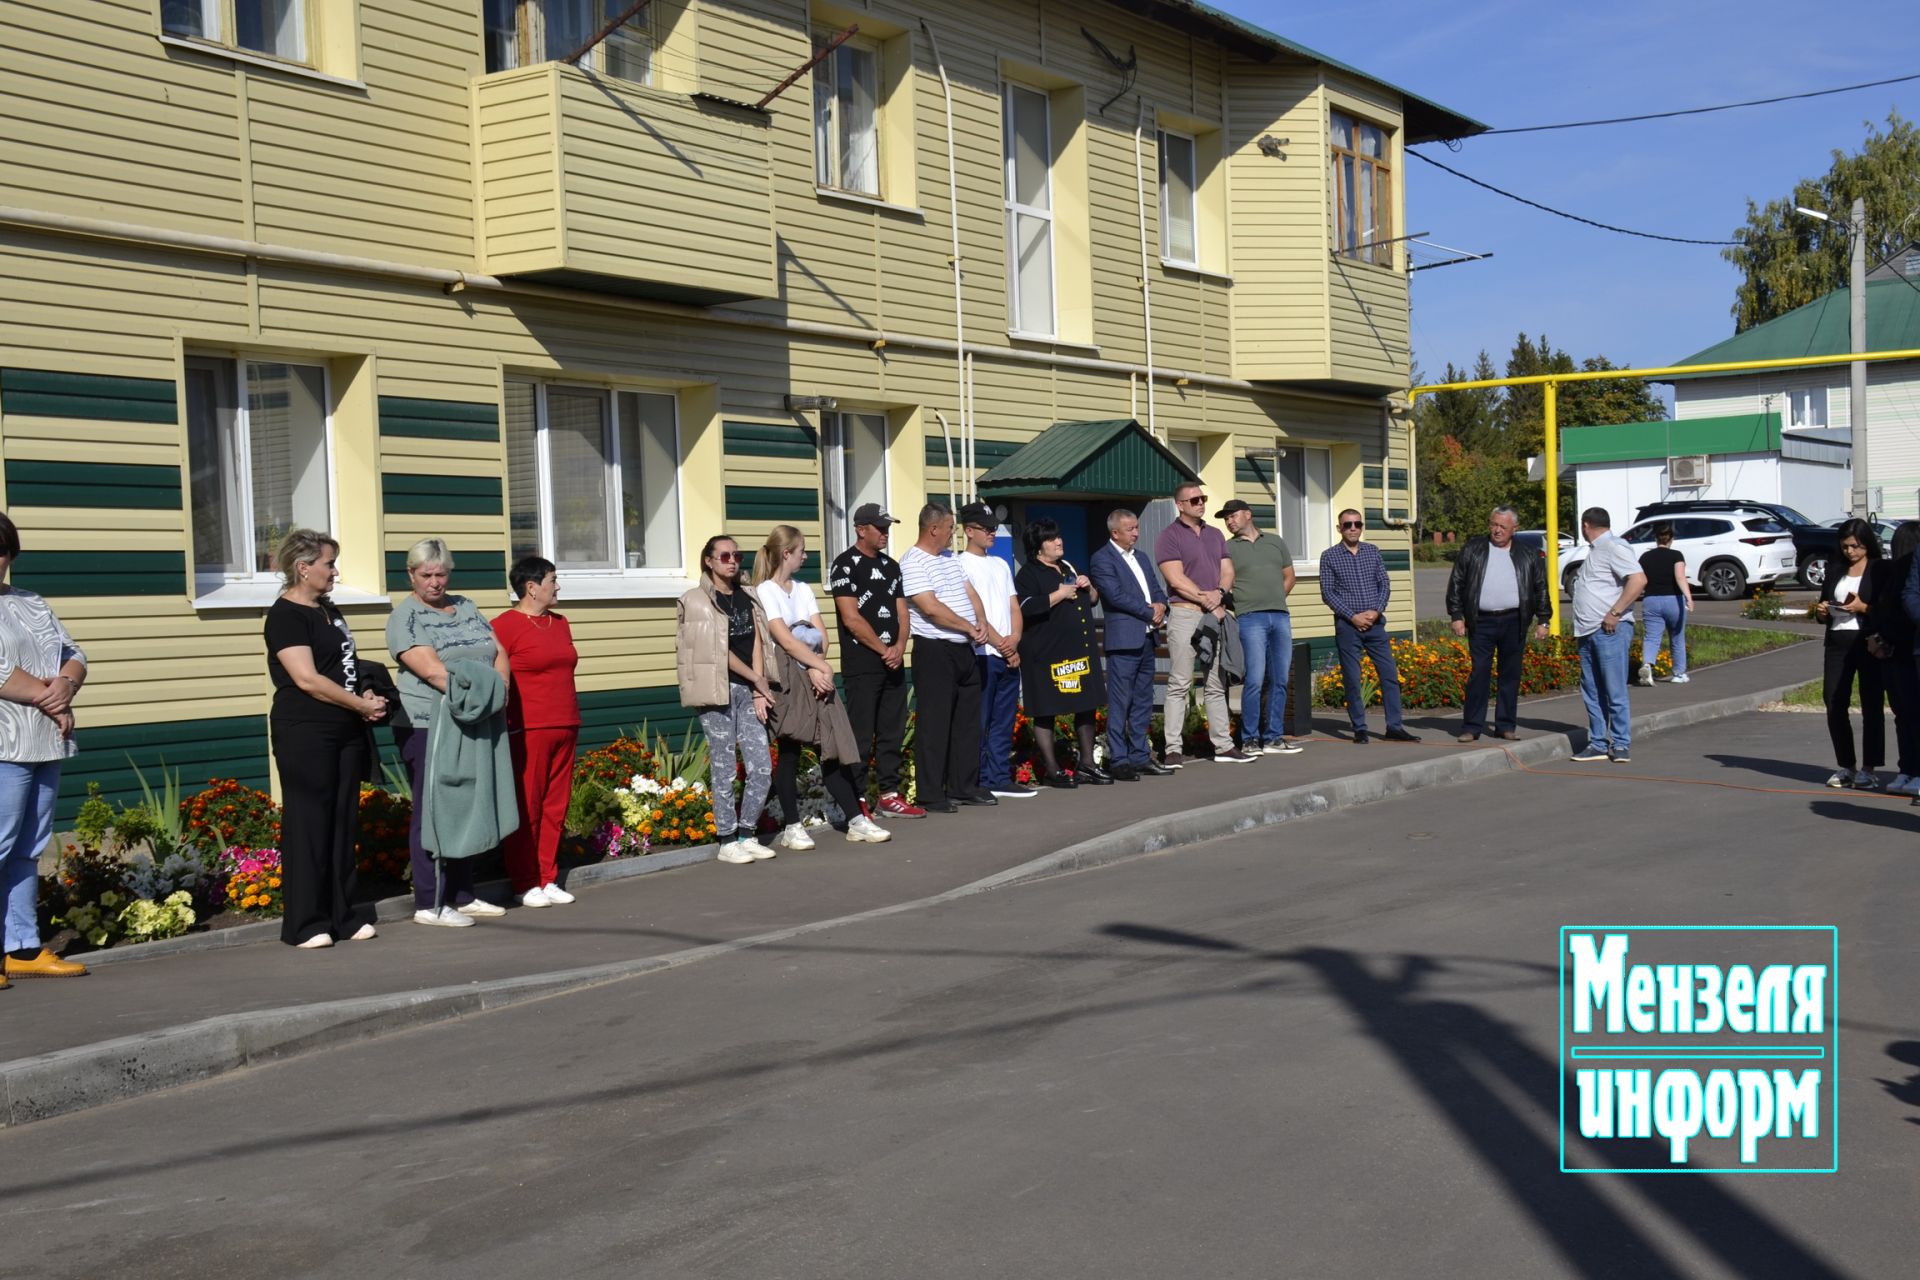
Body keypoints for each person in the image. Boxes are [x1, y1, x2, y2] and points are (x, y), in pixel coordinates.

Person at [264, 530, 388, 948]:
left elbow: (344, 667)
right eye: (328, 564)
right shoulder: (285, 616)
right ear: (303, 567)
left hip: (345, 729)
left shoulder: (328, 611)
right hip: (305, 731)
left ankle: (343, 916)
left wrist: (366, 695)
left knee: (341, 822)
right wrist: (358, 705)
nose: (335, 571)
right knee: (310, 823)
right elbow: (307, 679)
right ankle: (306, 923)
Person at [388, 538, 515, 925]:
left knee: (469, 802)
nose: (435, 582)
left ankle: (463, 894)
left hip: (475, 717)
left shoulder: (466, 606)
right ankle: (430, 903)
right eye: (426, 575)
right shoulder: (405, 617)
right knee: (435, 808)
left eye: (441, 574)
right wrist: (485, 696)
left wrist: (500, 692)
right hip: (429, 723)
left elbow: (498, 653)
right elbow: (431, 671)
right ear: (411, 575)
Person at [753, 526, 892, 846]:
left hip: (814, 675)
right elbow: (782, 637)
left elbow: (821, 634)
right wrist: (817, 666)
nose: (806, 555)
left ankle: (855, 819)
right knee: (789, 750)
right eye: (801, 550)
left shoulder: (803, 589)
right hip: (787, 679)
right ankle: (792, 826)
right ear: (786, 553)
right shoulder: (765, 591)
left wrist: (818, 668)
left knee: (830, 748)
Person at [0, 510, 89, 982]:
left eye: (2, 550)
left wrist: (67, 685)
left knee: (28, 847)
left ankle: (22, 947)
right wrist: (53, 700)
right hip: (3, 743)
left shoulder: (31, 602)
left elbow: (72, 652)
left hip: (44, 741)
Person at [676, 535, 778, 862]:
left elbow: (758, 641)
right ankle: (726, 839)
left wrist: (760, 686)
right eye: (724, 556)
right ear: (709, 560)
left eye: (736, 555)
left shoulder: (747, 595)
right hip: (718, 690)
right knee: (724, 768)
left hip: (749, 689)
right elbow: (716, 652)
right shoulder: (695, 600)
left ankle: (747, 832)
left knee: (761, 766)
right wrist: (755, 678)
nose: (732, 561)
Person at [493, 556, 581, 909]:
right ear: (531, 587)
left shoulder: (560, 623)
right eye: (552, 580)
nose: (557, 586)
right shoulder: (503, 626)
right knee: (527, 805)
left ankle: (547, 877)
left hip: (566, 723)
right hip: (527, 727)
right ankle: (525, 880)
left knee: (555, 806)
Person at [829, 504, 924, 821]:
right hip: (863, 665)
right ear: (861, 529)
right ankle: (856, 799)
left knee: (892, 733)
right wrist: (884, 650)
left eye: (887, 528)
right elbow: (851, 618)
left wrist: (899, 645)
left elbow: (902, 612)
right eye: (880, 528)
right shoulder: (844, 565)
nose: (885, 534)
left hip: (894, 663)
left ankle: (889, 796)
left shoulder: (891, 566)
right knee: (860, 735)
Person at [900, 502, 994, 812]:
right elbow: (929, 607)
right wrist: (968, 626)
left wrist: (980, 623)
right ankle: (931, 792)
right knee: (935, 723)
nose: (954, 533)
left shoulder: (949, 558)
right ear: (933, 529)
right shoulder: (913, 562)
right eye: (951, 527)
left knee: (967, 722)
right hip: (935, 648)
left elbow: (969, 592)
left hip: (964, 647)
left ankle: (963, 786)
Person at [1155, 480, 1254, 764]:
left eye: (1203, 498)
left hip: (1214, 613)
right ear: (1180, 505)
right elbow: (1175, 578)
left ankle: (1223, 746)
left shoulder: (1214, 534)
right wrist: (1206, 598)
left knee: (1215, 682)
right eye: (1195, 500)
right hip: (1186, 613)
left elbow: (1227, 570)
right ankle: (1172, 748)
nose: (1201, 503)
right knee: (1180, 682)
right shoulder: (1169, 536)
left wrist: (1219, 594)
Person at [1016, 518, 1112, 787]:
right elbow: (1025, 607)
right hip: (1046, 654)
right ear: (1037, 547)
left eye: (1058, 536)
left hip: (1078, 652)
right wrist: (1059, 594)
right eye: (1051, 539)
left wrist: (1088, 585)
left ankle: (1087, 764)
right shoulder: (1028, 574)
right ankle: (1052, 769)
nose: (1059, 542)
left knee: (1086, 705)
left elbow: (1092, 599)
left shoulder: (1067, 566)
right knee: (1046, 709)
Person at [1445, 505, 1551, 742]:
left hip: (1515, 620)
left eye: (1502, 526)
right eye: (1493, 524)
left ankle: (1505, 725)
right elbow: (1457, 582)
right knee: (1479, 674)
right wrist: (1456, 615)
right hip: (1481, 621)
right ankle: (1472, 726)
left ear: (1515, 528)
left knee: (1510, 675)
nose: (1496, 530)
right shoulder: (1474, 548)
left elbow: (1540, 587)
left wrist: (1544, 619)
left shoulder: (1528, 553)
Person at [1319, 509, 1420, 745]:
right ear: (1339, 528)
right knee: (1353, 678)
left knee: (1389, 676)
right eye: (1347, 525)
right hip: (1348, 627)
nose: (1353, 528)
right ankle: (1360, 728)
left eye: (1357, 524)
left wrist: (1376, 611)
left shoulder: (1372, 551)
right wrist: (1352, 616)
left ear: (1362, 526)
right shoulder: (1330, 556)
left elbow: (1384, 582)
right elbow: (1328, 592)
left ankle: (1394, 727)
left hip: (1375, 625)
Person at [1089, 508, 1173, 779]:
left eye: (1137, 528)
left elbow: (1155, 588)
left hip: (1147, 638)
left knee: (1142, 701)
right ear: (1115, 532)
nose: (1136, 533)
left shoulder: (1142, 557)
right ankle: (1119, 759)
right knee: (1120, 701)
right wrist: (1151, 612)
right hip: (1124, 640)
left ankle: (1139, 756)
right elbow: (1115, 596)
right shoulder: (1102, 559)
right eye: (1130, 529)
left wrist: (1161, 605)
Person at [957, 504, 1031, 798]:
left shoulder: (1000, 564)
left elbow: (1013, 605)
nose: (992, 532)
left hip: (1007, 652)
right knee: (980, 720)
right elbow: (976, 614)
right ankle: (975, 779)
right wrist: (1002, 643)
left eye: (993, 527)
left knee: (1004, 719)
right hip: (982, 654)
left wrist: (1015, 639)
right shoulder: (959, 564)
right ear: (969, 530)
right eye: (985, 528)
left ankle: (998, 776)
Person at [1219, 498, 1301, 755]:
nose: (1229, 522)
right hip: (1249, 618)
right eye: (1226, 519)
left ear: (1247, 514)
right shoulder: (1227, 547)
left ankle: (1275, 737)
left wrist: (1275, 598)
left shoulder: (1275, 541)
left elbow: (1289, 576)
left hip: (1279, 616)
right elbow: (1222, 581)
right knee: (1254, 678)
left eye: (1232, 516)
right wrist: (1242, 604)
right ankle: (1251, 738)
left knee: (1280, 678)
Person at [1567, 508, 1647, 764]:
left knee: (1613, 689)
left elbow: (1638, 580)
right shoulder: (1595, 550)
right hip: (1589, 631)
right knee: (1592, 689)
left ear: (1586, 525)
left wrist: (1615, 612)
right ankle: (1598, 742)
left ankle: (1621, 743)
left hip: (1609, 630)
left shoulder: (1613, 546)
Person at [1815, 519, 1886, 789]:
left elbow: (1886, 608)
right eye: (1845, 547)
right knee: (1834, 701)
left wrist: (1863, 607)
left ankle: (1869, 767)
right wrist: (1821, 612)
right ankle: (1847, 765)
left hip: (1867, 642)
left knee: (1871, 704)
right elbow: (1824, 603)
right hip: (1837, 641)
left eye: (1855, 547)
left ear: (1866, 544)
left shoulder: (1880, 569)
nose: (1849, 552)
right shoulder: (1835, 570)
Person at [1869, 522, 1920, 795]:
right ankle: (1907, 768)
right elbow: (1888, 607)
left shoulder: (1902, 571)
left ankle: (1915, 770)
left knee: (1912, 716)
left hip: (1904, 648)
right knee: (1904, 715)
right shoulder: (1893, 573)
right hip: (1896, 652)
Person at [1636, 524, 1693, 687]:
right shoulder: (1676, 555)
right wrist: (1689, 598)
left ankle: (1647, 665)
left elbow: (1640, 579)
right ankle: (1679, 673)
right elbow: (1680, 578)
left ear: (1655, 538)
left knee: (1652, 637)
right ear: (1671, 539)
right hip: (1673, 600)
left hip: (1651, 600)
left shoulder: (1645, 557)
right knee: (1677, 637)